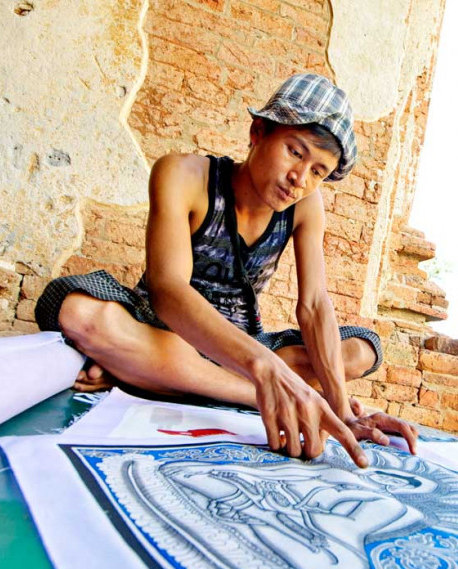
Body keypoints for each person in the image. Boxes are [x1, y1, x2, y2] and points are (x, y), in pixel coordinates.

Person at [35, 73, 418, 468]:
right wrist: (264, 371)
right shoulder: (183, 175)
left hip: (240, 342)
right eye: (295, 152)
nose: (300, 179)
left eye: (318, 171)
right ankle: (254, 393)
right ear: (258, 131)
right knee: (79, 311)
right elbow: (168, 291)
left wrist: (342, 410)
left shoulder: (306, 206)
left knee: (358, 350)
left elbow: (315, 305)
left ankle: (152, 378)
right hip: (166, 331)